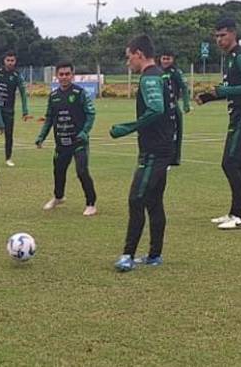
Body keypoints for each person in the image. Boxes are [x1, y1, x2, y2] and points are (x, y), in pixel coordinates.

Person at [111, 35, 174, 272]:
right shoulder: (161, 75)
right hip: (163, 148)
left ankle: (128, 255)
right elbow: (173, 112)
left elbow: (157, 109)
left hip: (153, 151)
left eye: (129, 58)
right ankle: (154, 255)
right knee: (154, 202)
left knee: (136, 198)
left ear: (139, 54)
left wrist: (128, 127)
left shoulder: (149, 78)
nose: (129, 63)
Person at [195, 18, 241, 230]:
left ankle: (240, 214)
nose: (219, 40)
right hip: (237, 114)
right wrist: (209, 97)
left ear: (233, 34)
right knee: (236, 163)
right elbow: (230, 89)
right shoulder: (231, 59)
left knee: (230, 162)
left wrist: (225, 91)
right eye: (216, 36)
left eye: (222, 35)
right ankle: (236, 212)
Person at [35, 62, 97, 216]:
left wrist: (84, 132)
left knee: (82, 171)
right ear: (56, 76)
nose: (64, 77)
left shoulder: (79, 93)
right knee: (58, 170)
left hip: (78, 142)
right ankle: (58, 197)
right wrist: (41, 136)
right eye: (61, 74)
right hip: (61, 142)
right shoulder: (54, 96)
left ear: (72, 75)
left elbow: (91, 114)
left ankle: (91, 203)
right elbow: (49, 118)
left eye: (67, 74)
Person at [160, 50, 191, 166]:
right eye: (164, 58)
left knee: (176, 132)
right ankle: (162, 156)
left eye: (168, 59)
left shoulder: (176, 72)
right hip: (160, 107)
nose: (166, 61)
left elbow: (184, 87)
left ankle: (174, 159)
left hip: (173, 106)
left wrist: (186, 104)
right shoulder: (157, 71)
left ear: (172, 59)